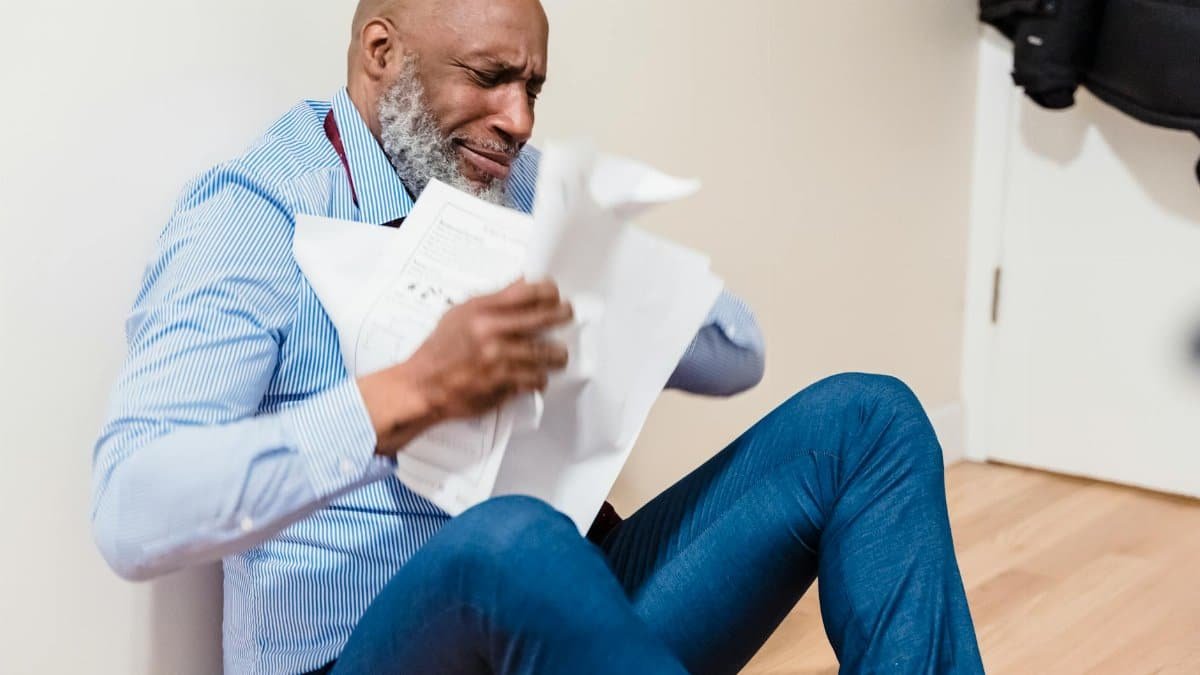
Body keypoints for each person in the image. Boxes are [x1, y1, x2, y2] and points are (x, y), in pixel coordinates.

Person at [90, 0, 984, 672]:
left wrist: (588, 283)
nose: (518, 120)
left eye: (532, 88)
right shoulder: (255, 212)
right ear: (381, 52)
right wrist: (410, 396)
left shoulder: (515, 185)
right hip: (362, 651)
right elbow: (131, 509)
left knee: (870, 421)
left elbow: (737, 350)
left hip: (563, 614)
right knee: (509, 541)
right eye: (488, 78)